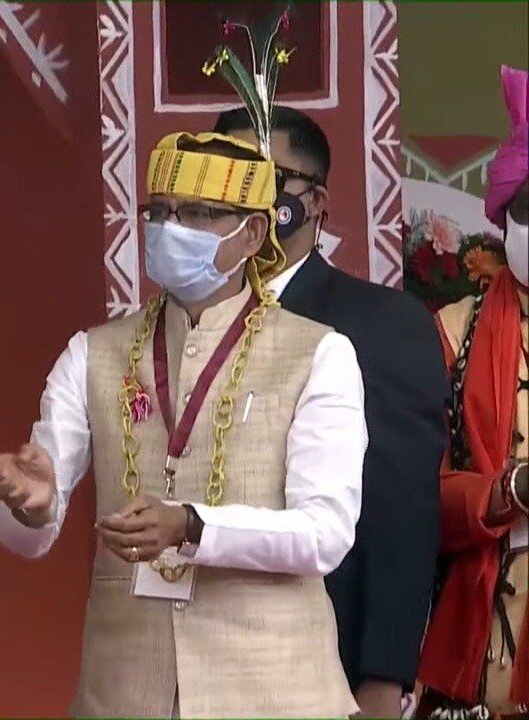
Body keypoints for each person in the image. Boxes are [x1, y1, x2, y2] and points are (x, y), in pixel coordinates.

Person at [0, 122, 366, 712]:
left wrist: (192, 525)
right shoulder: (91, 353)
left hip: (274, 691)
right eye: (159, 212)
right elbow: (26, 538)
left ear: (253, 232)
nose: (170, 229)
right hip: (125, 691)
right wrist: (31, 506)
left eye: (196, 213)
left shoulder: (318, 353)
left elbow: (325, 533)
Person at [212, 105, 449, 717]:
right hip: (192, 662)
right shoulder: (175, 326)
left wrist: (383, 677)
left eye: (264, 177)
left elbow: (399, 515)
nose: (243, 196)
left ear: (314, 201)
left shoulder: (383, 324)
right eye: (225, 176)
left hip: (319, 668)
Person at [418, 64, 529, 719]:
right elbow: (417, 495)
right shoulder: (452, 331)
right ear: (505, 220)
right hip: (489, 619)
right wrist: (509, 490)